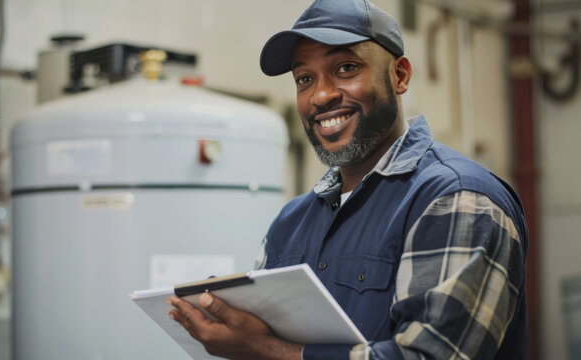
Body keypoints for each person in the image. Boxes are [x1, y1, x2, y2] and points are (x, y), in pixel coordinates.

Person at [167, 0, 529, 359]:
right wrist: (228, 317)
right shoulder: (290, 223)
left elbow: (427, 355)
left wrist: (261, 348)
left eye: (345, 68)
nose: (320, 96)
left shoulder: (457, 198)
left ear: (400, 75)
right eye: (304, 78)